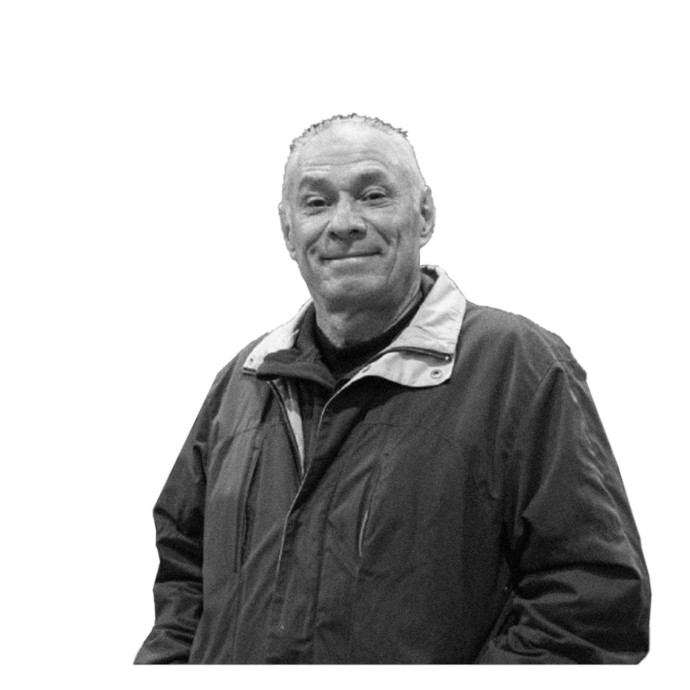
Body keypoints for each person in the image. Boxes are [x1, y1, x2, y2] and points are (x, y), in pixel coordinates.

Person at [132, 114, 652, 666]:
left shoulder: (520, 369)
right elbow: (181, 568)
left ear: (424, 215)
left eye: (373, 195)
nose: (344, 223)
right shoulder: (241, 381)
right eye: (316, 203)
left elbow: (591, 601)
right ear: (287, 232)